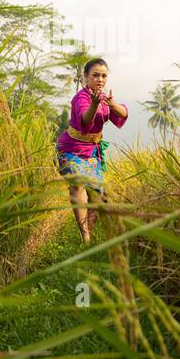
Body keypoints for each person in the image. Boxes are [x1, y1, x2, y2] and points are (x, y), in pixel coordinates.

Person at [56, 58, 128, 243]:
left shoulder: (103, 98)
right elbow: (85, 120)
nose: (100, 79)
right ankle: (85, 236)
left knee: (97, 193)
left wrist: (111, 105)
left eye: (104, 76)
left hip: (91, 151)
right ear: (85, 77)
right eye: (95, 75)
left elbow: (123, 114)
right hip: (71, 149)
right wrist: (95, 104)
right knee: (78, 184)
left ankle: (89, 233)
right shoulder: (82, 98)